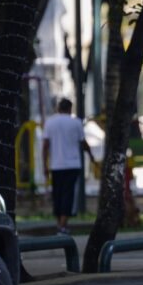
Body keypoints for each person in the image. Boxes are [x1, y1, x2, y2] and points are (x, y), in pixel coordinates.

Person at [42, 98, 96, 234]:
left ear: (58, 108)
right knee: (68, 195)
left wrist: (44, 165)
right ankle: (62, 225)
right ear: (70, 108)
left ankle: (60, 224)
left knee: (57, 194)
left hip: (56, 165)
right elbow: (83, 143)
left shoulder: (50, 122)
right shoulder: (76, 123)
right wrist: (91, 156)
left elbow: (45, 146)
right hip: (73, 164)